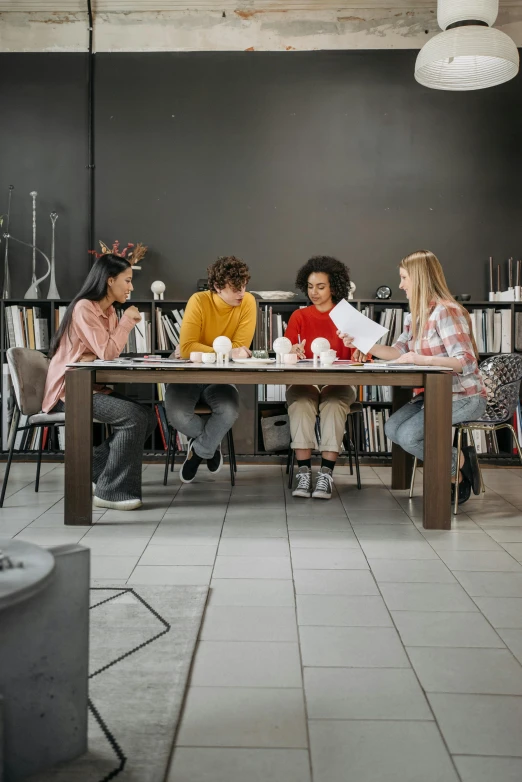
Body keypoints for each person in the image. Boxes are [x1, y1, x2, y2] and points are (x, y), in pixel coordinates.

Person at [339, 249, 487, 504]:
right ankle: (460, 458)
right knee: (392, 428)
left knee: (409, 436)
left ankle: (454, 474)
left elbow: (466, 361)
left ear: (419, 278)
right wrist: (362, 343)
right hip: (435, 395)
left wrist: (423, 359)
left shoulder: (447, 311)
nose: (401, 285)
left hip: (464, 396)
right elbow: (397, 352)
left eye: (404, 277)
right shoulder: (414, 316)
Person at [42, 253, 156, 511]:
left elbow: (102, 353)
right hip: (69, 393)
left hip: (91, 387)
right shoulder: (85, 308)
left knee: (147, 417)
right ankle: (111, 491)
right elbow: (108, 352)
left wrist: (95, 352)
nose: (131, 287)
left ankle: (94, 467)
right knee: (134, 418)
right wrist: (127, 321)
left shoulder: (110, 312)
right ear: (109, 280)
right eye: (127, 281)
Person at [165, 256, 256, 483]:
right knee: (177, 415)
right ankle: (211, 445)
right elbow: (186, 349)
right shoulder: (199, 301)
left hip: (221, 376)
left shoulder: (248, 302)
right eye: (235, 288)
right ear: (217, 287)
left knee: (228, 410)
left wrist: (202, 351)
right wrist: (226, 352)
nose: (241, 293)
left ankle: (199, 451)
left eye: (244, 286)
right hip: (189, 374)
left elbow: (240, 349)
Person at [284, 255, 357, 500]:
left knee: (334, 404)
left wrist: (359, 350)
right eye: (310, 286)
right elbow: (286, 357)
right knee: (302, 403)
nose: (314, 292)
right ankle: (304, 473)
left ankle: (326, 474)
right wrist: (291, 352)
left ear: (334, 287)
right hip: (305, 381)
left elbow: (361, 359)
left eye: (321, 286)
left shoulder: (348, 316)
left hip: (340, 382)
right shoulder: (299, 317)